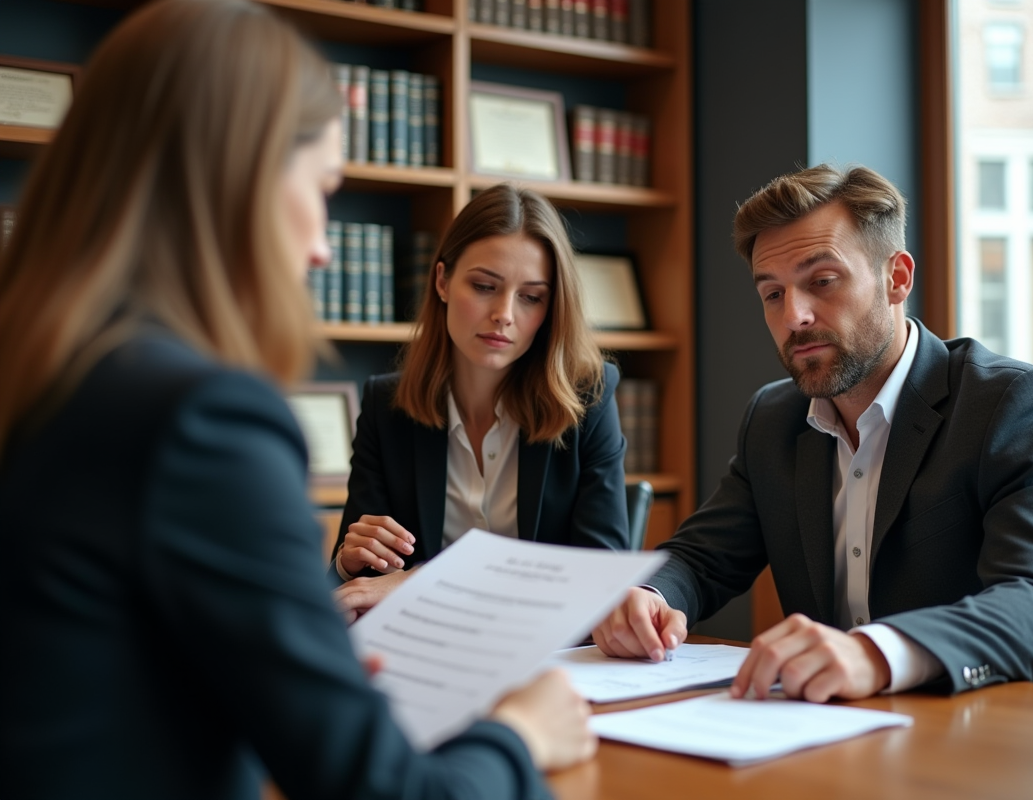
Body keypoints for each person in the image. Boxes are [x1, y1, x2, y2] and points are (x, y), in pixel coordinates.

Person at [0, 2, 594, 798]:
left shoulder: (47, 372)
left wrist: (299, 666)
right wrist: (521, 732)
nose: (320, 245)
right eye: (321, 188)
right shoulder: (203, 418)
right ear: (236, 178)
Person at [592, 164, 1033, 702]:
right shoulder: (773, 420)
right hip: (865, 733)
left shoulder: (1013, 404)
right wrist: (648, 593)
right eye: (772, 294)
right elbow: (702, 558)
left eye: (821, 281)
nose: (794, 315)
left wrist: (875, 652)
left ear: (897, 278)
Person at [329, 184, 629, 621]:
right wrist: (348, 562)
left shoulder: (589, 397)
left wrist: (428, 578)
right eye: (485, 285)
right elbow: (356, 586)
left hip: (547, 652)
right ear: (443, 281)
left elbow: (600, 573)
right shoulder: (385, 405)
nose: (505, 313)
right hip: (426, 647)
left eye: (531, 297)